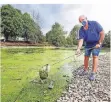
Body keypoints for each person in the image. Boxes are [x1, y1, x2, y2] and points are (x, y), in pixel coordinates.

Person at [76, 15, 105, 81]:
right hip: (88, 44)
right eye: (80, 21)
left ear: (86, 18)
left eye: (83, 19)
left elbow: (102, 33)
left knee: (95, 55)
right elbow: (81, 40)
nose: (82, 21)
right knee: (86, 56)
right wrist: (78, 48)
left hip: (96, 43)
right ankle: (85, 70)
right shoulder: (81, 29)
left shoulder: (94, 23)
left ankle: (93, 73)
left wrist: (99, 43)